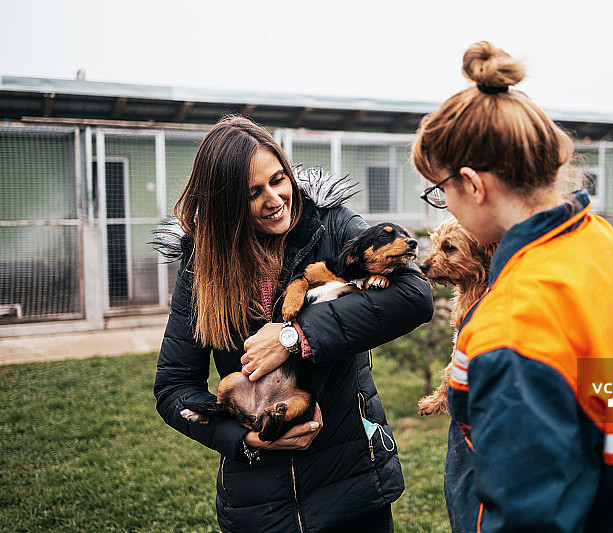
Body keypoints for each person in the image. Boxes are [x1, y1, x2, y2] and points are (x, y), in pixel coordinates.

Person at [412, 42, 613, 533]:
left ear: (474, 185)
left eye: (442, 192)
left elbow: (528, 511)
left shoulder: (512, 324)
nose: (447, 208)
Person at [154, 115, 433, 533]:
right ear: (223, 205)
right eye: (253, 193)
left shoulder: (332, 225)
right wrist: (242, 439)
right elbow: (174, 387)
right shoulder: (202, 267)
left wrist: (295, 335)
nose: (275, 198)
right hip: (259, 503)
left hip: (350, 485)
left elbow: (413, 297)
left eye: (278, 179)